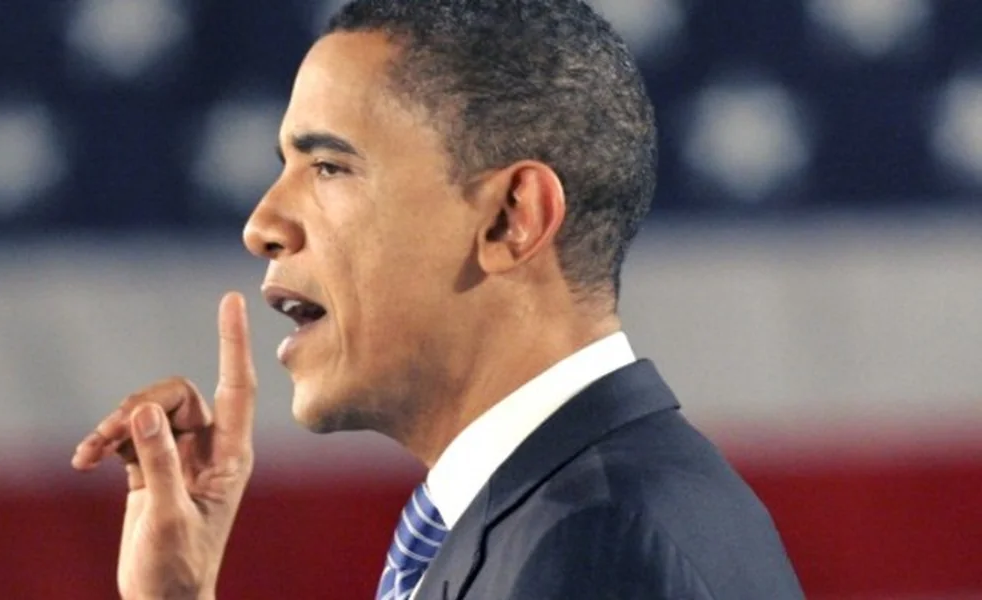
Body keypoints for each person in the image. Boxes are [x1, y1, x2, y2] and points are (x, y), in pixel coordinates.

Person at [71, 1, 806, 598]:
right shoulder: (552, 513)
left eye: (328, 166)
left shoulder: (593, 544)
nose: (261, 224)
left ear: (511, 219)